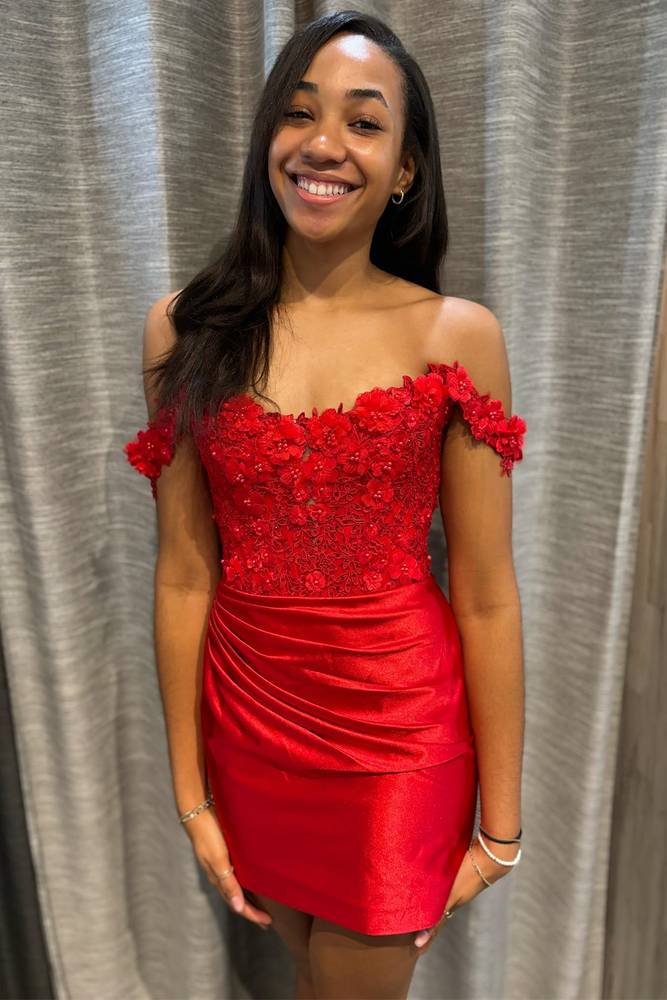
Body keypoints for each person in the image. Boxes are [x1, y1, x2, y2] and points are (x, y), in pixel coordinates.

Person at [123, 11, 527, 1000]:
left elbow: (484, 593)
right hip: (249, 718)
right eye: (299, 113)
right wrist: (190, 796)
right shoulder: (186, 329)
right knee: (311, 973)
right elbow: (183, 574)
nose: (323, 144)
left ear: (405, 170)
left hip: (395, 731)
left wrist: (501, 828)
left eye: (364, 122)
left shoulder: (455, 335)